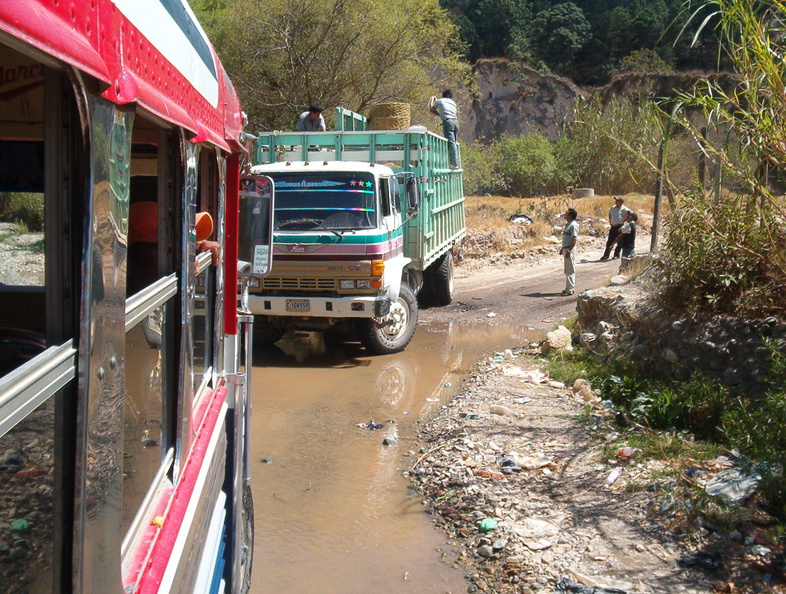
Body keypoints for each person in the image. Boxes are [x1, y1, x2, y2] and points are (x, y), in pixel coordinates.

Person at [429, 89, 460, 168]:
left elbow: (432, 108)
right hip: (456, 122)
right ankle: (454, 161)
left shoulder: (440, 101)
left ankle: (454, 163)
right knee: (454, 142)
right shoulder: (453, 103)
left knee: (451, 143)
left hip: (448, 122)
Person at [559, 208, 579, 296]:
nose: (564, 214)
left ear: (570, 215)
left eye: (566, 213)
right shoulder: (568, 224)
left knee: (570, 269)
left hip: (569, 250)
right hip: (566, 248)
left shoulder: (573, 225)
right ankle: (568, 288)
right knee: (567, 269)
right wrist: (562, 248)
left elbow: (574, 239)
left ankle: (570, 289)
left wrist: (569, 250)